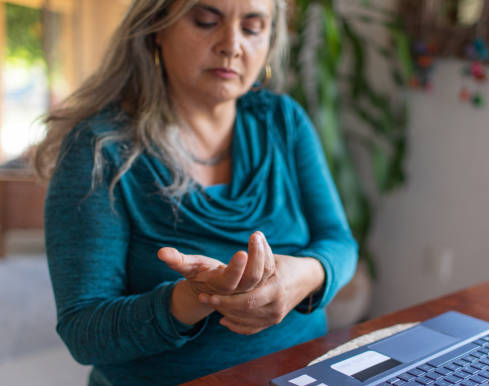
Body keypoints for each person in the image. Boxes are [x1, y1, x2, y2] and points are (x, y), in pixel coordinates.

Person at [33, 0, 358, 385]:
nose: (232, 44)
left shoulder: (283, 120)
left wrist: (303, 276)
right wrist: (192, 298)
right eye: (206, 21)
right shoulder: (98, 150)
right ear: (157, 27)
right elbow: (84, 332)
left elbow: (338, 241)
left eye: (252, 28)